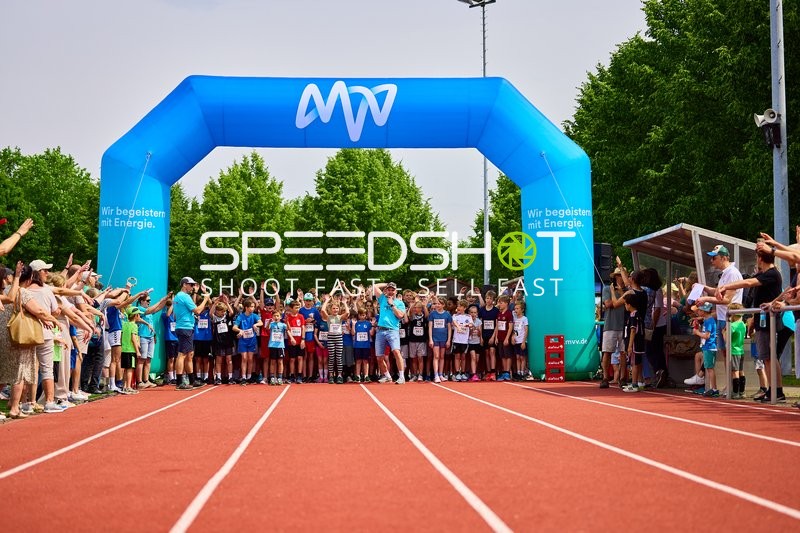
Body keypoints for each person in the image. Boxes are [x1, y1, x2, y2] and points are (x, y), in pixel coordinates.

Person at [718, 247, 786, 402]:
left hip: (770, 320)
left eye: (757, 257)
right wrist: (753, 320)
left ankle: (778, 391)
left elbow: (748, 282)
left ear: (760, 259)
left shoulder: (772, 273)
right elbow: (753, 291)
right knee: (765, 357)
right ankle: (770, 390)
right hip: (761, 320)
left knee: (771, 356)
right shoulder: (762, 274)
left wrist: (726, 286)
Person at [694, 245, 743, 389]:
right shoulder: (725, 274)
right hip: (723, 318)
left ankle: (735, 387)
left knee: (731, 354)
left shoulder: (732, 273)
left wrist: (705, 299)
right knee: (726, 354)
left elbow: (727, 299)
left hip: (731, 319)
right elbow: (718, 292)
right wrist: (703, 287)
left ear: (724, 257)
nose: (711, 261)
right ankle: (731, 386)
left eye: (714, 257)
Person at [173, 277, 211, 390]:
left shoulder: (178, 296)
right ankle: (179, 382)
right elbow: (198, 310)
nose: (192, 287)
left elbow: (177, 314)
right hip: (185, 327)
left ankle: (192, 380)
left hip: (185, 326)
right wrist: (205, 299)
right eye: (191, 284)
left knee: (189, 354)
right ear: (184, 285)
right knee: (182, 354)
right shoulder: (184, 296)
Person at [366, 281, 407, 384]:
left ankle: (401, 377)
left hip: (392, 330)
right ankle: (387, 376)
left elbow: (400, 316)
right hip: (380, 331)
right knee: (379, 357)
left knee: (396, 352)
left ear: (396, 291)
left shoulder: (400, 303)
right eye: (389, 289)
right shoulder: (382, 298)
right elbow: (374, 286)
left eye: (393, 290)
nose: (391, 291)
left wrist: (392, 305)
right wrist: (386, 283)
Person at [600, 268, 626, 388]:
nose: (622, 278)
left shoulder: (626, 290)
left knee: (623, 353)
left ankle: (622, 378)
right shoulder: (607, 289)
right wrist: (621, 298)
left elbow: (615, 304)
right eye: (620, 275)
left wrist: (619, 297)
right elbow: (608, 304)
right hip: (610, 325)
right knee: (607, 352)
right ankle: (605, 377)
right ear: (616, 277)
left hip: (623, 325)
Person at [691, 302, 718, 397]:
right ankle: (711, 387)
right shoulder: (707, 320)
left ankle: (714, 388)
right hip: (707, 347)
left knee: (710, 368)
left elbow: (707, 336)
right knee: (708, 367)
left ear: (704, 311)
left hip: (710, 347)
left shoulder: (709, 321)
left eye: (699, 310)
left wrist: (697, 332)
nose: (698, 312)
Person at [321, 296, 351, 384]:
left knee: (338, 358)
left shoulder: (340, 317)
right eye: (333, 308)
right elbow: (323, 310)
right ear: (330, 309)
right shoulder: (328, 317)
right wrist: (326, 301)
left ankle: (339, 376)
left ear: (338, 309)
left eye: (336, 308)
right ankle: (331, 376)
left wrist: (344, 303)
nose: (335, 310)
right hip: (330, 339)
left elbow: (348, 312)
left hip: (339, 339)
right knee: (331, 358)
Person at [233, 297, 262, 385]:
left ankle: (249, 376)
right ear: (246, 307)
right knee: (244, 358)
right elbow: (234, 327)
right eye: (251, 307)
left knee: (250, 359)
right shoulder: (240, 316)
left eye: (253, 307)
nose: (253, 308)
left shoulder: (254, 316)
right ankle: (244, 377)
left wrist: (255, 324)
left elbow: (261, 323)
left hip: (252, 340)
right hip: (243, 341)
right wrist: (240, 331)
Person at [621, 292, 646, 393]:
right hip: (639, 342)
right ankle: (640, 382)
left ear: (629, 304)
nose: (625, 306)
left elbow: (632, 330)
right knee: (638, 362)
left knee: (634, 363)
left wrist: (630, 345)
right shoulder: (638, 314)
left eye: (625, 304)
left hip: (635, 343)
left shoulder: (633, 315)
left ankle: (634, 384)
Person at [210, 300, 235, 385]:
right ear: (217, 311)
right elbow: (210, 314)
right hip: (218, 342)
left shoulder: (227, 317)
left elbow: (231, 312)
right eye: (221, 311)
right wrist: (215, 303)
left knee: (229, 360)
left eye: (224, 311)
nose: (223, 312)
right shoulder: (215, 318)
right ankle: (218, 377)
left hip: (228, 341)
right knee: (218, 360)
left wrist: (227, 303)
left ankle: (230, 377)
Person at [427, 297, 452, 383]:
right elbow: (430, 327)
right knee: (436, 356)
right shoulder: (432, 314)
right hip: (435, 338)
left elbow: (449, 328)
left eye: (439, 304)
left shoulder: (447, 314)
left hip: (444, 338)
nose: (437, 305)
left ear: (443, 305)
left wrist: (449, 340)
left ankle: (441, 374)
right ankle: (436, 375)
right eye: (436, 303)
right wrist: (430, 339)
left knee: (442, 357)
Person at [478, 291, 499, 381]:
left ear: (493, 300)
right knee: (486, 353)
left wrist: (493, 337)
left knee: (492, 351)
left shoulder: (496, 310)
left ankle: (493, 372)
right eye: (487, 298)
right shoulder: (482, 310)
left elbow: (497, 324)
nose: (488, 300)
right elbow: (480, 324)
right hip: (484, 334)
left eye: (490, 298)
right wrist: (481, 337)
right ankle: (488, 372)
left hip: (492, 334)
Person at [451, 300, 474, 382]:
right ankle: (457, 373)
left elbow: (471, 324)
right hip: (456, 340)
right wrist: (458, 327)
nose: (458, 308)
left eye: (460, 306)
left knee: (463, 357)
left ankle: (463, 372)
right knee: (457, 356)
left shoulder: (468, 317)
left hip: (465, 340)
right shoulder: (455, 316)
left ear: (464, 308)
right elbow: (454, 323)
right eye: (458, 306)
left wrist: (468, 325)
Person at [727, 303, 747, 399]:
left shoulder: (732, 326)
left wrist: (724, 332)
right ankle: (742, 391)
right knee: (741, 371)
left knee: (735, 371)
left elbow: (726, 338)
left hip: (734, 350)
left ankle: (736, 392)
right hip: (741, 350)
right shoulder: (743, 324)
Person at [120, 308, 141, 395]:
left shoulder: (124, 324)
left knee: (125, 369)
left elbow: (121, 337)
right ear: (135, 316)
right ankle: (128, 387)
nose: (139, 316)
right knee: (130, 369)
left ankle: (125, 386)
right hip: (130, 350)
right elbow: (133, 338)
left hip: (124, 349)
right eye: (139, 315)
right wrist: (137, 351)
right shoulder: (134, 326)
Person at [284, 300, 305, 384]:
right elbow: (288, 329)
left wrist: (303, 339)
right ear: (291, 308)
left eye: (298, 307)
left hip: (300, 341)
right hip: (291, 342)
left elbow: (303, 328)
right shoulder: (288, 317)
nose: (298, 309)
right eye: (296, 307)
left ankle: (299, 375)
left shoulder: (301, 316)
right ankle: (292, 375)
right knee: (292, 359)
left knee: (300, 358)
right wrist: (292, 338)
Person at [495, 295, 514, 381]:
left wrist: (507, 338)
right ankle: (503, 372)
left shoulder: (509, 314)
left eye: (501, 303)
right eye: (499, 302)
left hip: (506, 338)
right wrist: (496, 337)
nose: (499, 304)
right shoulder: (499, 313)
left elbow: (510, 327)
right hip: (499, 338)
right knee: (502, 355)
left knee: (508, 355)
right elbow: (497, 326)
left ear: (506, 303)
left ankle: (507, 372)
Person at [266, 310, 287, 385]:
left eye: (278, 316)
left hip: (280, 346)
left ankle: (280, 378)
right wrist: (269, 322)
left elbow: (289, 329)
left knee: (280, 362)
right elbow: (267, 328)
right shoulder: (271, 324)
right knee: (272, 362)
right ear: (272, 317)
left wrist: (287, 321)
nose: (276, 317)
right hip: (272, 345)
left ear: (280, 317)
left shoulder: (283, 325)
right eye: (274, 316)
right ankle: (272, 377)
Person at [511, 301, 529, 381]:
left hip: (522, 341)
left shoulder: (524, 319)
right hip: (516, 341)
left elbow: (526, 330)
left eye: (517, 308)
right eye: (515, 308)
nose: (516, 310)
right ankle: (518, 372)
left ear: (522, 310)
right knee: (517, 357)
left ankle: (522, 372)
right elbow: (514, 330)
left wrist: (523, 341)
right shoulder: (515, 318)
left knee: (522, 357)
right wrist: (513, 337)